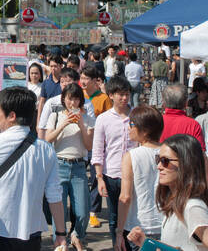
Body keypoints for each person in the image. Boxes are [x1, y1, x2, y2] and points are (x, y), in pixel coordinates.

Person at [0, 86, 66, 250]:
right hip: (31, 230)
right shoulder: (46, 150)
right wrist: (61, 234)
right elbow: (55, 195)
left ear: (11, 116)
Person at [126, 134, 208, 251]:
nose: (159, 166)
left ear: (186, 163)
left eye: (165, 161)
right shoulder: (176, 202)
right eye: (158, 159)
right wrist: (147, 242)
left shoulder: (192, 207)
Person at [45, 84, 95, 250]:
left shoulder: (87, 118)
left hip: (79, 166)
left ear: (81, 100)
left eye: (76, 98)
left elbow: (88, 146)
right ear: (63, 99)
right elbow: (47, 139)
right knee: (59, 210)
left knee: (82, 211)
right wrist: (63, 124)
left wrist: (81, 124)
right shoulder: (56, 116)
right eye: (69, 98)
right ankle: (60, 242)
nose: (72, 102)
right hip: (59, 165)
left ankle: (76, 235)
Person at [91, 76, 135, 243]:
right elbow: (98, 150)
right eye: (120, 94)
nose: (124, 98)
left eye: (127, 94)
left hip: (132, 174)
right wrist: (99, 177)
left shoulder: (136, 115)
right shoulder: (103, 119)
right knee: (114, 216)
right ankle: (116, 244)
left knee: (132, 216)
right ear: (111, 95)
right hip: (112, 174)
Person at [115, 105, 164, 251]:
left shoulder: (131, 156)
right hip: (164, 224)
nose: (129, 128)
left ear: (145, 130)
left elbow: (125, 197)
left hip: (137, 227)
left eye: (132, 124)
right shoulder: (170, 152)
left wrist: (118, 231)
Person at [38, 68, 95, 139]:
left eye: (68, 81)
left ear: (76, 82)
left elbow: (91, 127)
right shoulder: (51, 102)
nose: (65, 84)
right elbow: (42, 127)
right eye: (62, 81)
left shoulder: (87, 103)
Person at [159, 84, 205, 150]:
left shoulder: (156, 122)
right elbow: (200, 152)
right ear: (186, 103)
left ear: (164, 103)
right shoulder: (193, 125)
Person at [37, 54, 64, 127]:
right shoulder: (46, 82)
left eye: (55, 66)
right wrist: (38, 122)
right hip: (48, 118)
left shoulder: (65, 82)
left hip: (63, 119)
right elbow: (42, 102)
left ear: (61, 66)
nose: (53, 68)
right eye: (51, 66)